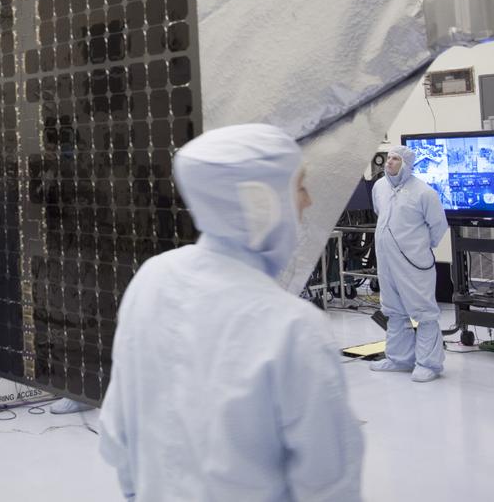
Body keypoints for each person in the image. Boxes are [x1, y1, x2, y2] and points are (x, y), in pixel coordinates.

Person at [98, 124, 363, 501]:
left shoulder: (153, 279)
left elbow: (116, 432)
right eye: (299, 186)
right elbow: (329, 485)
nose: (308, 201)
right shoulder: (292, 327)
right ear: (262, 204)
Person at [369, 145, 447, 382]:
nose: (389, 162)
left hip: (414, 262)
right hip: (386, 260)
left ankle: (429, 364)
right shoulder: (379, 187)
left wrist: (420, 247)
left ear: (406, 164)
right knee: (393, 309)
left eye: (395, 159)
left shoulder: (424, 192)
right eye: (388, 158)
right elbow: (380, 213)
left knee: (423, 311)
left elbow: (438, 225)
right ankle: (399, 359)